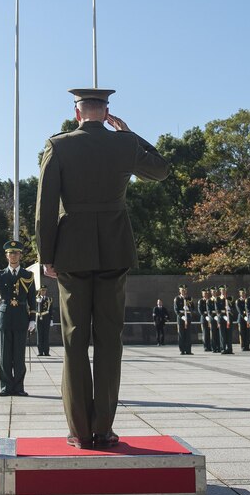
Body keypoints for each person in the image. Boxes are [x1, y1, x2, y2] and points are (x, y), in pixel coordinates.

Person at [36, 88, 169, 450]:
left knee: (75, 340)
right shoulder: (125, 145)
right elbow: (160, 170)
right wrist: (130, 135)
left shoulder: (58, 145)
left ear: (77, 114)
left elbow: (45, 207)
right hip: (114, 249)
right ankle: (104, 428)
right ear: (107, 112)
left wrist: (46, 255)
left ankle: (80, 430)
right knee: (110, 340)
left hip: (71, 253)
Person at [0, 240, 37, 396]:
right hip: (4, 316)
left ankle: (18, 387)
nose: (13, 256)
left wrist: (33, 318)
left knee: (19, 355)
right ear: (6, 256)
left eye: (16, 253)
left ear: (20, 255)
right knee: (5, 355)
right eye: (10, 253)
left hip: (21, 318)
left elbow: (32, 298)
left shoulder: (28, 275)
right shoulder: (0, 274)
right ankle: (6, 386)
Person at [173, 285, 193, 355]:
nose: (184, 291)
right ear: (180, 291)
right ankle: (182, 350)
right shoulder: (177, 299)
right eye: (182, 290)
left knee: (188, 334)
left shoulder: (189, 298)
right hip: (181, 318)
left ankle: (188, 350)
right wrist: (182, 316)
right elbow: (176, 310)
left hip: (188, 316)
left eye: (185, 290)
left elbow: (193, 308)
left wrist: (188, 309)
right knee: (181, 334)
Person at [35, 287, 54, 356]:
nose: (43, 292)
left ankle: (46, 351)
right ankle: (40, 351)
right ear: (40, 291)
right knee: (39, 335)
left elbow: (51, 310)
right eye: (42, 290)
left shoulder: (49, 299)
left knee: (46, 335)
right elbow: (34, 309)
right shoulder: (36, 299)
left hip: (46, 318)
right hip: (38, 318)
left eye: (44, 290)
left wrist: (51, 319)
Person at [216, 287, 233, 354]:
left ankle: (229, 348)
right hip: (222, 318)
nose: (223, 291)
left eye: (224, 290)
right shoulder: (218, 299)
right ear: (220, 291)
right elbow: (217, 309)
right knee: (222, 335)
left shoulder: (229, 299)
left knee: (229, 334)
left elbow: (233, 308)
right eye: (222, 290)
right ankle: (223, 348)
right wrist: (223, 315)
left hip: (229, 318)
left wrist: (229, 309)